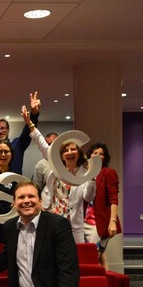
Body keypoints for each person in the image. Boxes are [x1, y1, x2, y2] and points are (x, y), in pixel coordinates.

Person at [24, 104, 95, 243]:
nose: (69, 153)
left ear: (79, 152)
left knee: (75, 257)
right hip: (53, 217)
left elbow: (88, 197)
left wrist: (92, 179)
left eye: (73, 149)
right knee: (51, 255)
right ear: (61, 155)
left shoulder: (84, 173)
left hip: (74, 224)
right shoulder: (55, 167)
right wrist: (30, 123)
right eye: (66, 150)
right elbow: (42, 145)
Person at [0, 93, 40, 174]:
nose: (0, 131)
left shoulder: (17, 145)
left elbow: (28, 131)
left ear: (8, 130)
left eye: (3, 128)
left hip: (15, 184)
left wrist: (34, 114)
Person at [85, 143, 121, 268]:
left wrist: (112, 221)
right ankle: (107, 285)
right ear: (89, 155)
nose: (98, 156)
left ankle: (96, 286)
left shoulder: (109, 172)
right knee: (100, 257)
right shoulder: (85, 174)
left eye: (101, 154)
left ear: (104, 157)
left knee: (93, 257)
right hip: (84, 222)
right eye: (95, 153)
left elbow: (113, 199)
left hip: (101, 223)